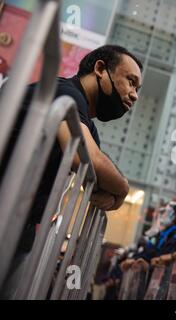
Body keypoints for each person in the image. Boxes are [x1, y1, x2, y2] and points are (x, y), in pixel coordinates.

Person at [0, 45, 142, 297]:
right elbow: (83, 157)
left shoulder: (85, 121)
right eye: (130, 82)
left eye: (137, 89)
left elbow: (100, 181)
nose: (134, 95)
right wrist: (123, 188)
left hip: (17, 225)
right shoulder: (64, 94)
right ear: (100, 69)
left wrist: (113, 189)